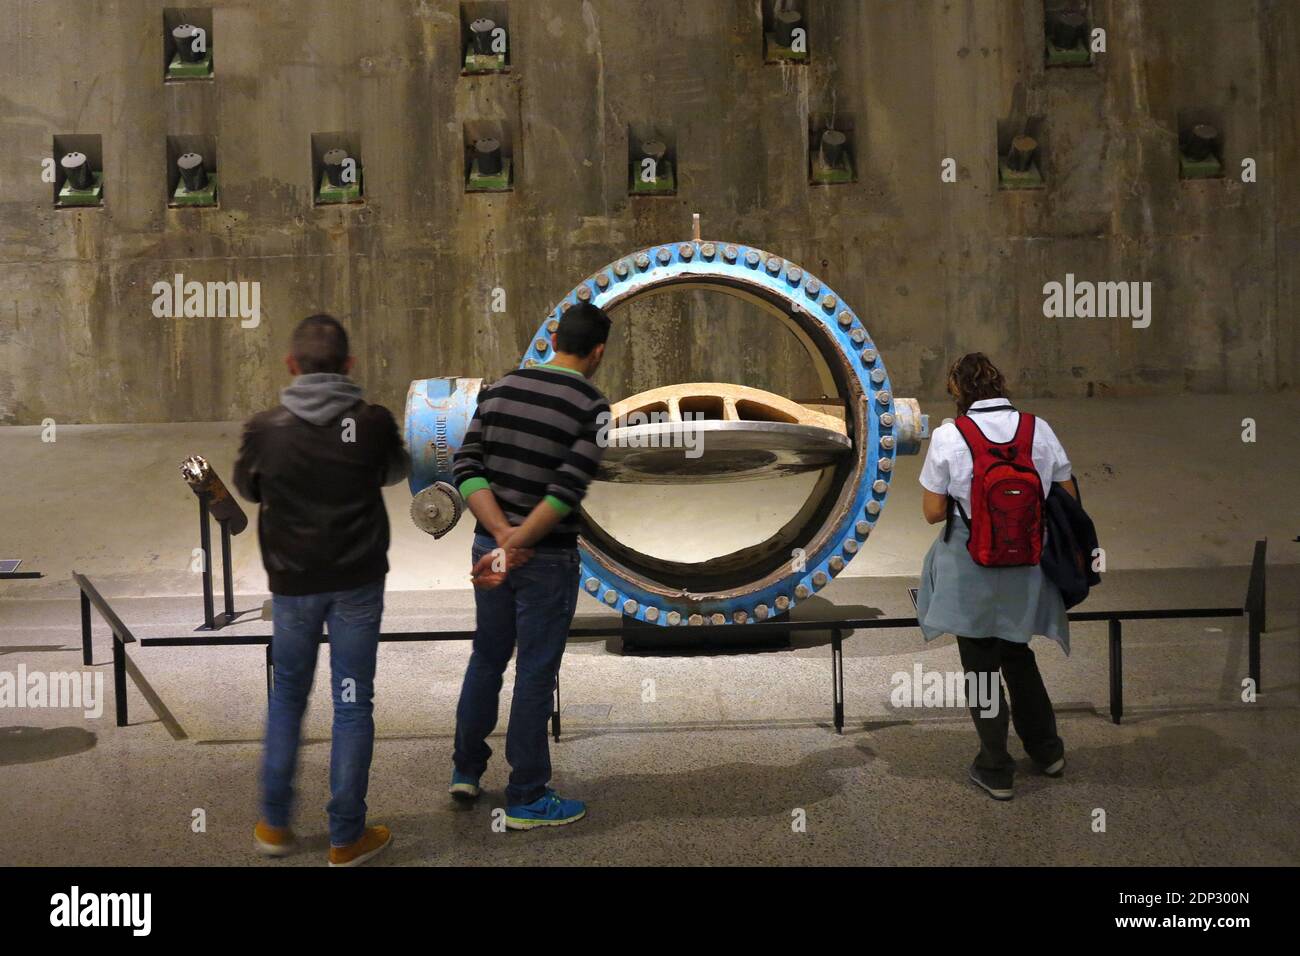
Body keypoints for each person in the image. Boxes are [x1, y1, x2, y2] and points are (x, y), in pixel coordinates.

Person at [234, 314, 410, 865]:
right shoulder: (373, 421)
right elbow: (394, 473)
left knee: (287, 698)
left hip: (292, 586)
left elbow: (246, 487)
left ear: (291, 365)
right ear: (349, 367)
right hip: (357, 583)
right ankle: (345, 838)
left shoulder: (267, 428)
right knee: (352, 704)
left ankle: (274, 825)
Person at [449, 302, 612, 829]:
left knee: (486, 659)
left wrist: (499, 536)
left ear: (554, 338)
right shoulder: (593, 406)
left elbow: (466, 467)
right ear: (598, 352)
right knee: (535, 674)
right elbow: (565, 491)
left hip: (487, 549)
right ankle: (526, 797)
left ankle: (467, 772)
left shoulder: (499, 388)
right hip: (545, 557)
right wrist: (521, 540)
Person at [915, 352, 1075, 801]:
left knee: (981, 664)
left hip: (973, 564)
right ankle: (1048, 752)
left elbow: (932, 513)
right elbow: (1067, 495)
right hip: (1024, 562)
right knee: (1018, 654)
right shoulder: (1036, 429)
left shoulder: (950, 436)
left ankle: (996, 767)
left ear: (957, 391)